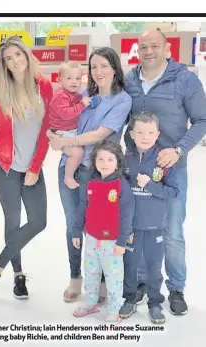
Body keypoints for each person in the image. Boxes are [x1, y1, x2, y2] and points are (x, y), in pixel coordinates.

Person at [123, 29, 206, 315]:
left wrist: (179, 149)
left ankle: (176, 289)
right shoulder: (130, 79)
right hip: (136, 167)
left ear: (167, 48)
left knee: (171, 231)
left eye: (154, 46)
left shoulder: (185, 79)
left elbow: (202, 119)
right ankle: (145, 282)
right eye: (143, 46)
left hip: (171, 169)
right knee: (142, 227)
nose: (148, 51)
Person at [47, 47, 132, 304]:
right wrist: (53, 136)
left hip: (100, 175)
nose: (98, 71)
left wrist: (65, 143)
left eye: (104, 66)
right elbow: (63, 120)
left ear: (115, 68)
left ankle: (102, 281)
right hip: (71, 168)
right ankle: (76, 278)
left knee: (100, 229)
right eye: (94, 67)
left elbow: (100, 135)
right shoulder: (83, 94)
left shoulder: (122, 100)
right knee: (73, 224)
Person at [0, 36, 52, 299]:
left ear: (26, 55)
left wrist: (35, 166)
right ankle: (18, 275)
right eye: (8, 58)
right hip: (4, 166)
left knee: (38, 221)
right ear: (3, 64)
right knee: (13, 220)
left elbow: (46, 131)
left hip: (31, 166)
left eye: (18, 54)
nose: (14, 61)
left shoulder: (44, 87)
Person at [120, 111, 179, 324]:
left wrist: (151, 186)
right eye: (140, 132)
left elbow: (173, 192)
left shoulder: (164, 160)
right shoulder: (125, 160)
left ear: (157, 134)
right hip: (131, 227)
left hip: (155, 225)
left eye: (150, 132)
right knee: (130, 265)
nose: (145, 136)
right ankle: (129, 298)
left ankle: (155, 302)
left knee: (154, 266)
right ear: (132, 135)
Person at [72, 141, 135, 325]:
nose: (105, 163)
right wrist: (77, 231)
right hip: (91, 239)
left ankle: (114, 310)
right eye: (100, 159)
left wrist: (122, 241)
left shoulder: (121, 185)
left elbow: (127, 215)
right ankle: (91, 303)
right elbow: (82, 206)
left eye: (110, 159)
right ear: (94, 161)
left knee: (114, 278)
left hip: (113, 242)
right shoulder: (89, 182)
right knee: (91, 273)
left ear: (118, 162)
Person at [48, 62, 92, 189]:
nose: (74, 82)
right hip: (62, 132)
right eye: (69, 78)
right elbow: (66, 114)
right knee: (77, 152)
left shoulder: (76, 94)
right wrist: (82, 105)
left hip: (70, 131)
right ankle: (68, 177)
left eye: (78, 78)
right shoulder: (61, 96)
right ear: (59, 78)